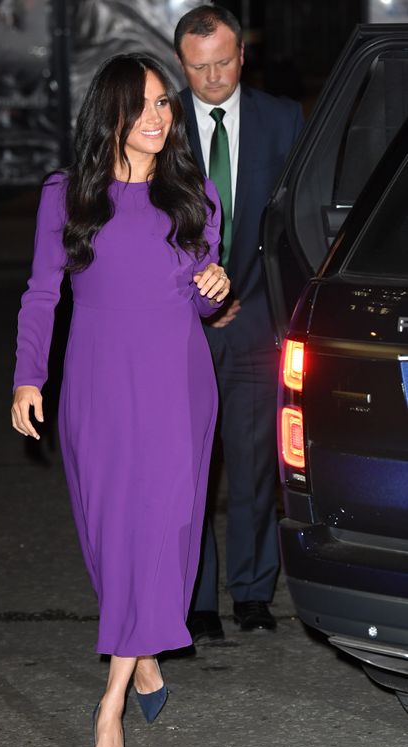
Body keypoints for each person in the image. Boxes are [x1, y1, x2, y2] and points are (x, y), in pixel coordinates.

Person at [11, 53, 230, 747]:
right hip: (98, 390)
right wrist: (26, 377)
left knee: (159, 534)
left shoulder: (194, 194)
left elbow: (203, 300)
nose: (161, 118)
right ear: (110, 112)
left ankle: (109, 703)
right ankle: (143, 661)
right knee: (111, 538)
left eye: (167, 104)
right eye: (145, 105)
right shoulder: (66, 195)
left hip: (177, 387)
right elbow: (43, 293)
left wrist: (215, 283)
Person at [174, 5, 304, 639]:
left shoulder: (283, 119)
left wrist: (267, 304)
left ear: (242, 55)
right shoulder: (159, 122)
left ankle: (253, 592)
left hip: (254, 317)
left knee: (254, 462)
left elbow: (295, 222)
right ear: (181, 64)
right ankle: (197, 599)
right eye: (199, 68)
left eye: (223, 62)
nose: (213, 77)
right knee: (187, 466)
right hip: (177, 328)